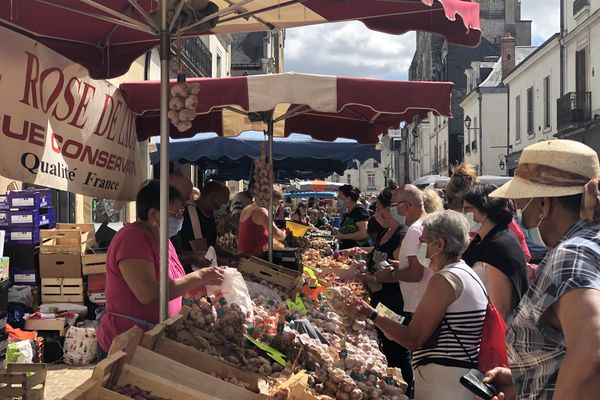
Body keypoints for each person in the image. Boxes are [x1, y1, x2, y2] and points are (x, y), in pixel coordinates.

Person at [482, 139, 600, 400]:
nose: (522, 218)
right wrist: (526, 379)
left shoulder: (571, 256)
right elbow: (567, 347)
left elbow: (591, 359)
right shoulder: (592, 243)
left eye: (523, 207)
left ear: (545, 204)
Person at [344, 211, 488, 400]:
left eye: (423, 241)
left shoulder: (444, 280)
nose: (419, 246)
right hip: (459, 376)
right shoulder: (467, 272)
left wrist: (371, 314)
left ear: (439, 245)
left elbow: (413, 339)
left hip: (443, 382)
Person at [97, 180, 225, 356]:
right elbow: (148, 293)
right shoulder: (132, 238)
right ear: (153, 214)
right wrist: (199, 276)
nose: (181, 218)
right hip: (128, 343)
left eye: (181, 212)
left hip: (154, 339)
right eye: (176, 213)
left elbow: (174, 282)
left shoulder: (163, 239)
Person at [353, 189, 413, 396]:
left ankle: (407, 389)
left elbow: (402, 272)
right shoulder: (386, 231)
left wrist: (373, 278)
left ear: (388, 209)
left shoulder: (401, 235)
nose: (376, 214)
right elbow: (379, 255)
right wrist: (364, 257)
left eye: (378, 209)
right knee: (387, 343)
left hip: (394, 301)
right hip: (381, 298)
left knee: (396, 344)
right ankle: (395, 387)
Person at [461, 184, 528, 322]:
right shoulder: (483, 241)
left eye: (468, 209)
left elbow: (501, 308)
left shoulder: (499, 246)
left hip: (495, 335)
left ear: (485, 209)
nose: (464, 214)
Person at [374, 185, 431, 315]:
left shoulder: (414, 231)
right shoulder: (427, 223)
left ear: (406, 206)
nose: (392, 211)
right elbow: (424, 263)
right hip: (423, 301)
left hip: (417, 303)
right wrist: (403, 265)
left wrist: (391, 274)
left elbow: (416, 274)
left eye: (394, 206)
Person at [172, 180, 231, 274]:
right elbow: (203, 254)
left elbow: (211, 245)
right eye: (223, 201)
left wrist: (231, 256)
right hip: (190, 272)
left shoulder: (209, 213)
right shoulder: (192, 214)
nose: (224, 204)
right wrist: (230, 265)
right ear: (213, 197)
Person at [238, 188, 287, 257]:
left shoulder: (247, 208)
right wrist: (284, 233)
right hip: (253, 259)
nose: (276, 208)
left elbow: (254, 234)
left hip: (244, 256)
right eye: (276, 205)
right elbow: (277, 235)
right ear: (269, 200)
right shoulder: (261, 211)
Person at [335, 184, 370, 249]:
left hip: (356, 252)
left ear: (349, 198)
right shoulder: (349, 209)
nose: (338, 197)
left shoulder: (359, 210)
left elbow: (363, 233)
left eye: (340, 196)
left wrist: (342, 236)